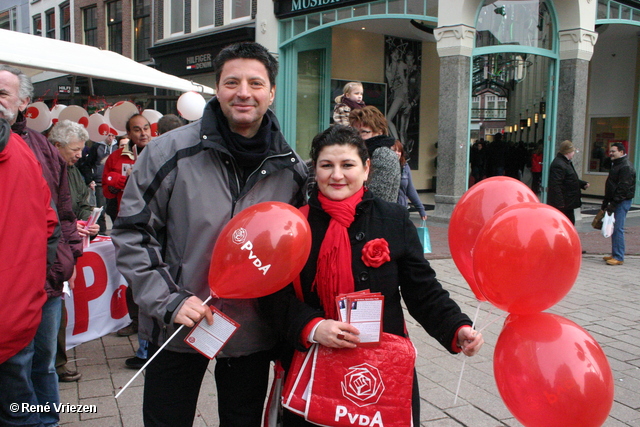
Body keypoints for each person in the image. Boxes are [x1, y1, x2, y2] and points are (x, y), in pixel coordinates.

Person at [111, 42, 308, 427]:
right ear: (217, 89)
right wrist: (168, 300)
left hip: (251, 332)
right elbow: (133, 233)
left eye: (256, 82)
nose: (244, 93)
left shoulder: (292, 170)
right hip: (177, 324)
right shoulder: (169, 152)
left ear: (271, 91)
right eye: (232, 82)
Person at [261, 125, 483, 426]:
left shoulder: (392, 219)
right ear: (316, 170)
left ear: (366, 169)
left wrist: (456, 326)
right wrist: (313, 326)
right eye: (327, 165)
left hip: (381, 367)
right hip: (315, 364)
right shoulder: (295, 224)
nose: (336, 175)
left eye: (347, 165)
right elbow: (273, 295)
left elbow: (423, 289)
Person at [3, 64, 83, 427]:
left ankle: (46, 420)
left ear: (23, 102)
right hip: (10, 286)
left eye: (3, 94)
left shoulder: (39, 148)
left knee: (43, 363)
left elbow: (63, 211)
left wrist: (67, 260)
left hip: (47, 280)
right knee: (14, 368)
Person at [0, 118, 60, 427]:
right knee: (19, 406)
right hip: (19, 308)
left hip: (21, 305)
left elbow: (53, 219)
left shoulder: (27, 148)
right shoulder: (21, 148)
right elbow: (51, 222)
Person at [49, 120, 100, 384]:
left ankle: (57, 364)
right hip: (53, 250)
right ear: (56, 146)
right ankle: (53, 365)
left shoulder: (72, 170)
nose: (80, 155)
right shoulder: (45, 168)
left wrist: (86, 223)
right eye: (75, 149)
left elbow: (80, 204)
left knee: (58, 307)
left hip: (66, 247)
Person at [102, 114, 152, 370]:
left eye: (146, 128)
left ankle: (147, 348)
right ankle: (139, 330)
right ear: (128, 134)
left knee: (148, 282)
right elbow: (107, 187)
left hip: (155, 226)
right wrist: (125, 180)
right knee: (134, 280)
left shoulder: (159, 150)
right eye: (137, 130)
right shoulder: (118, 156)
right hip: (129, 224)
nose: (143, 133)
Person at [349, 105, 401, 203]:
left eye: (363, 132)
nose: (358, 137)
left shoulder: (382, 154)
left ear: (379, 131)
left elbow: (377, 196)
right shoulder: (361, 153)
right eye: (355, 133)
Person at [601, 142, 637, 266]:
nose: (611, 153)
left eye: (613, 151)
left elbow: (623, 187)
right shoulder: (616, 164)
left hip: (622, 201)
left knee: (617, 228)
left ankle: (618, 256)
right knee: (613, 227)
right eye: (610, 151)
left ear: (621, 152)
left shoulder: (625, 166)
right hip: (617, 199)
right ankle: (615, 253)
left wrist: (614, 203)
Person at [78, 131, 117, 233]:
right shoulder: (96, 147)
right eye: (109, 135)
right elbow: (87, 164)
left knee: (114, 209)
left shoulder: (117, 146)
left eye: (113, 136)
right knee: (101, 210)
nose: (111, 138)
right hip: (100, 181)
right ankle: (102, 232)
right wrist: (90, 179)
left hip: (115, 182)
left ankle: (117, 231)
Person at [547, 140, 589, 224]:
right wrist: (560, 203)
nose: (573, 153)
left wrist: (581, 184)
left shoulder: (565, 163)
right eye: (573, 151)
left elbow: (570, 179)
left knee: (569, 222)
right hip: (564, 202)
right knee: (566, 223)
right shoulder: (559, 164)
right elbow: (556, 185)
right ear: (568, 152)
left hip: (567, 201)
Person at [392, 140, 427, 220]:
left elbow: (410, 189)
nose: (397, 153)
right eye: (394, 150)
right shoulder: (383, 168)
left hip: (402, 210)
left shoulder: (405, 167)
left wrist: (421, 209)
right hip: (387, 210)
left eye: (399, 151)